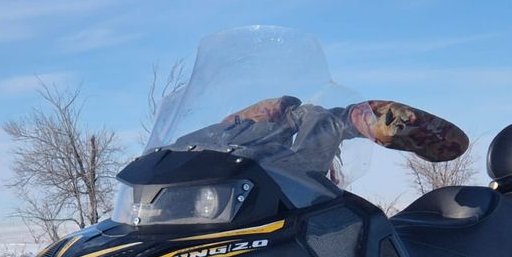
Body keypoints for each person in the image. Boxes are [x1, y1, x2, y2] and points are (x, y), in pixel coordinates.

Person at [175, 95, 469, 181]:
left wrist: (363, 119)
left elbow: (453, 143)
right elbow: (224, 131)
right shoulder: (254, 124)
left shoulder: (331, 119)